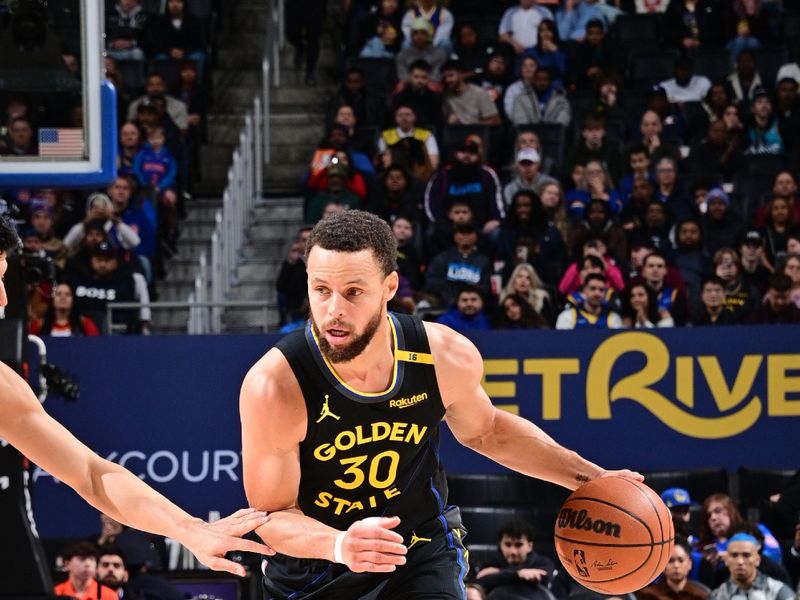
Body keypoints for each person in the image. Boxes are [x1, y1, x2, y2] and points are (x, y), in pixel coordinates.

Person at [238, 209, 640, 598]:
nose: (334, 310)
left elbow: (489, 432)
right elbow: (272, 516)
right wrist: (341, 544)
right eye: (321, 290)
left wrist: (591, 478)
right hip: (315, 566)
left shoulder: (440, 355)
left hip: (417, 547)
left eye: (353, 292)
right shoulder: (275, 386)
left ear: (389, 287)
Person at [475, 519, 556, 598]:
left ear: (529, 546)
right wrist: (519, 573)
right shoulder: (490, 562)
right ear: (500, 545)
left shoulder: (543, 563)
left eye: (518, 545)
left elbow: (545, 578)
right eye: (508, 544)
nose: (512, 551)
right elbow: (481, 582)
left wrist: (499, 573)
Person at [425, 222, 493, 308]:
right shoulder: (442, 258)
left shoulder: (484, 261)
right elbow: (432, 282)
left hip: (474, 307)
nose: (465, 236)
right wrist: (451, 297)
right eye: (462, 233)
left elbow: (486, 287)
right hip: (445, 305)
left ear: (476, 236)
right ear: (455, 236)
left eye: (469, 233)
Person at [709, 534, 794, 600]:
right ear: (727, 560)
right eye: (734, 555)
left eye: (746, 555)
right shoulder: (717, 596)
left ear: (757, 560)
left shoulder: (778, 591)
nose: (740, 562)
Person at [637, 538, 709, 600]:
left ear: (689, 564)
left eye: (681, 560)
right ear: (663, 566)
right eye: (670, 561)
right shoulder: (648, 595)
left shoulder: (701, 596)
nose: (676, 565)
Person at [441, 60, 502, 126]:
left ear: (461, 74)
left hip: (478, 133)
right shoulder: (447, 97)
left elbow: (496, 120)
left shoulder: (479, 93)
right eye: (445, 77)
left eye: (450, 75)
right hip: (456, 133)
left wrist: (473, 127)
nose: (447, 80)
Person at [29, 282, 100, 337]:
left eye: (67, 294)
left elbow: (95, 346)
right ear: (52, 300)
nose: (63, 297)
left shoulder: (85, 324)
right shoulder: (39, 325)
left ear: (73, 300)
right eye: (58, 294)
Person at [556, 273, 623, 329]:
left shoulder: (613, 318)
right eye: (592, 289)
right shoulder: (567, 316)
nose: (597, 293)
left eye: (601, 290)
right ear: (584, 290)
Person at [54, 541, 118, 600]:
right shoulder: (55, 593)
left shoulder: (110, 595)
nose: (88, 564)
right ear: (67, 564)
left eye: (91, 559)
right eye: (82, 559)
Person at [395, 17, 448, 82]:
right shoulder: (402, 55)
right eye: (415, 33)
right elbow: (402, 76)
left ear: (429, 35)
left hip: (431, 86)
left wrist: (421, 81)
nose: (419, 36)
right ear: (411, 36)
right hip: (409, 85)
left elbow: (436, 77)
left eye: (423, 33)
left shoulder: (439, 53)